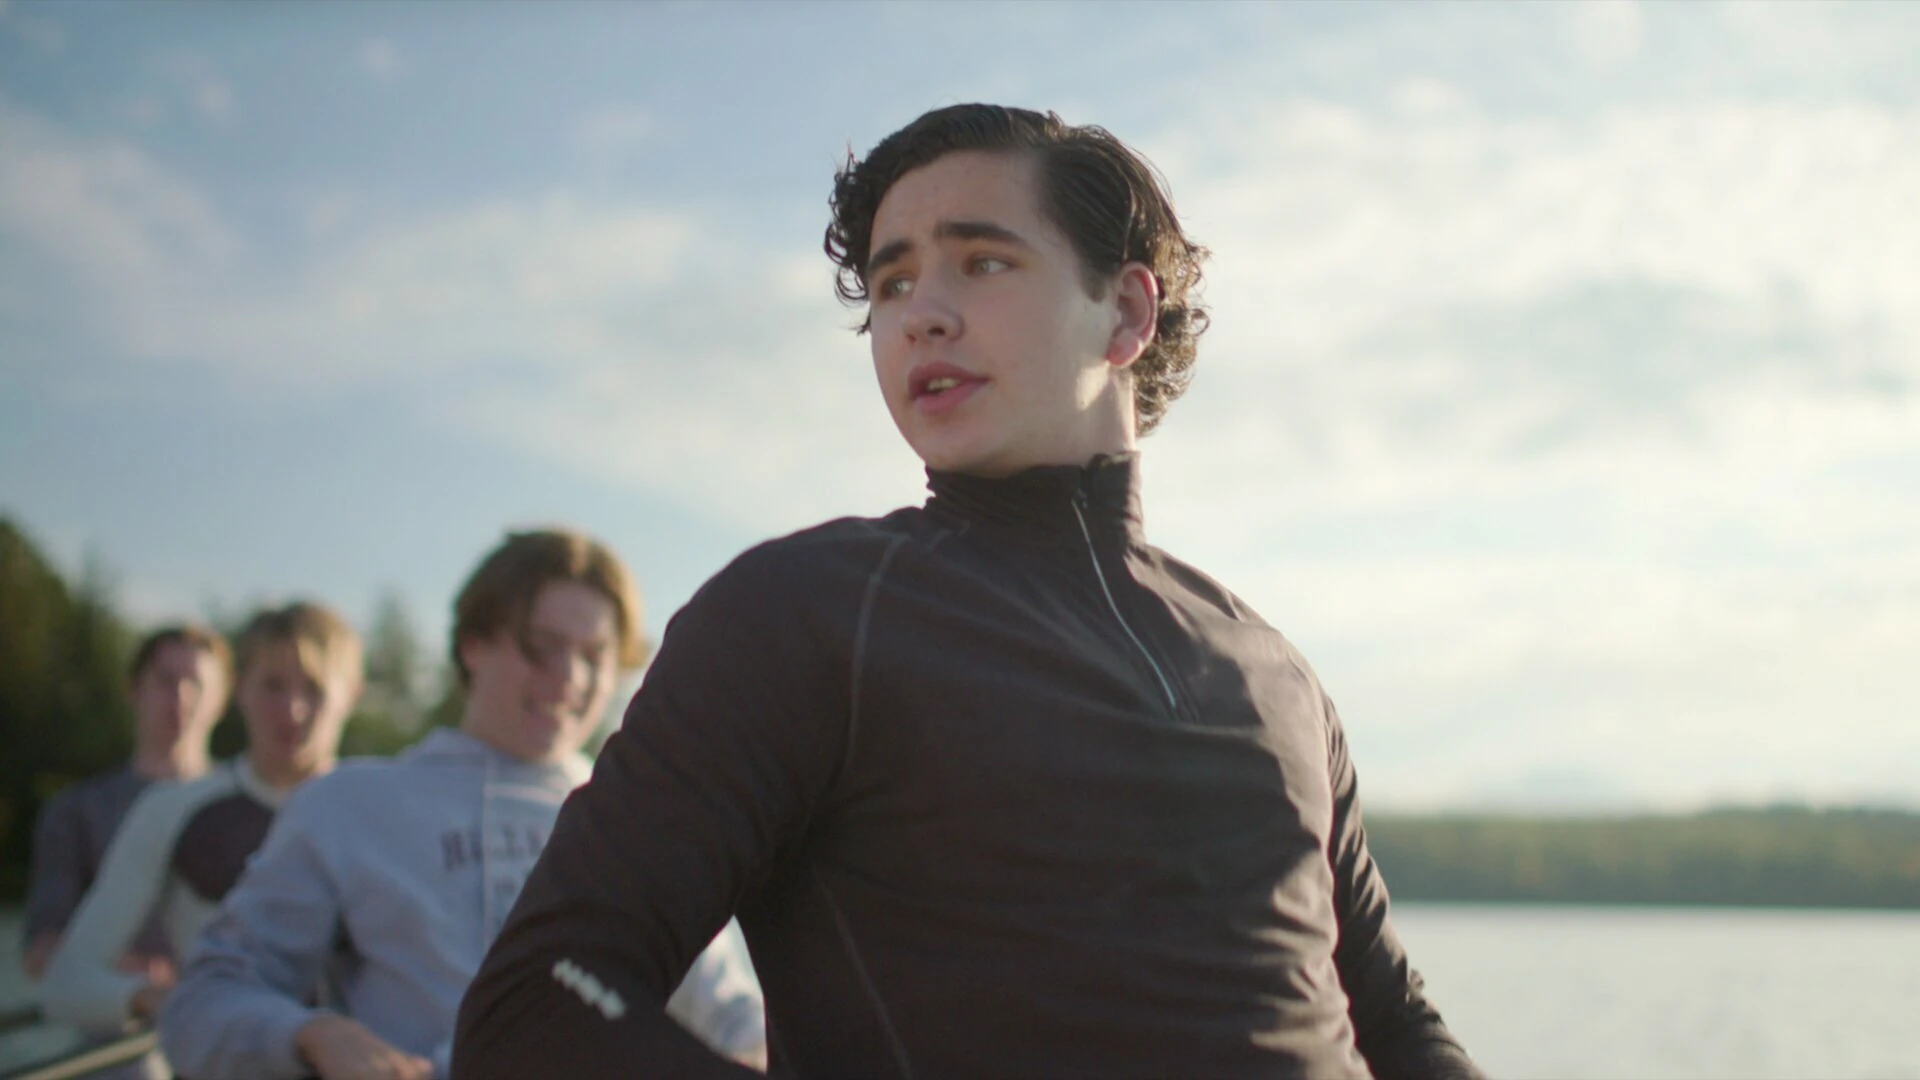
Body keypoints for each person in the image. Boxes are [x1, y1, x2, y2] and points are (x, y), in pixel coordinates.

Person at [454, 104, 1486, 1079]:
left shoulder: (1273, 672)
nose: (921, 317)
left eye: (982, 262)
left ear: (1127, 311)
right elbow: (536, 1005)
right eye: (893, 283)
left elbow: (1397, 1027)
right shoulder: (805, 615)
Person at [158, 529, 766, 1080]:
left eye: (594, 656)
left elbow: (734, 1016)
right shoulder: (349, 806)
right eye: (541, 646)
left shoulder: (640, 827)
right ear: (474, 644)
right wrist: (313, 1036)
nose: (569, 677)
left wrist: (757, 1054)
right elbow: (202, 1001)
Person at [41, 602, 362, 1033]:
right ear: (240, 690)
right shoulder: (172, 809)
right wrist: (162, 999)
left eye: (314, 689)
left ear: (352, 694)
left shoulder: (385, 815)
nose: (292, 710)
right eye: (272, 686)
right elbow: (65, 985)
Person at [21, 626, 232, 984]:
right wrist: (137, 979)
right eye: (165, 680)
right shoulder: (76, 811)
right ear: (134, 690)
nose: (180, 697)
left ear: (222, 701)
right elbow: (41, 952)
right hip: (114, 1017)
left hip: (225, 1014)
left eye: (195, 683)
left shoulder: (250, 806)